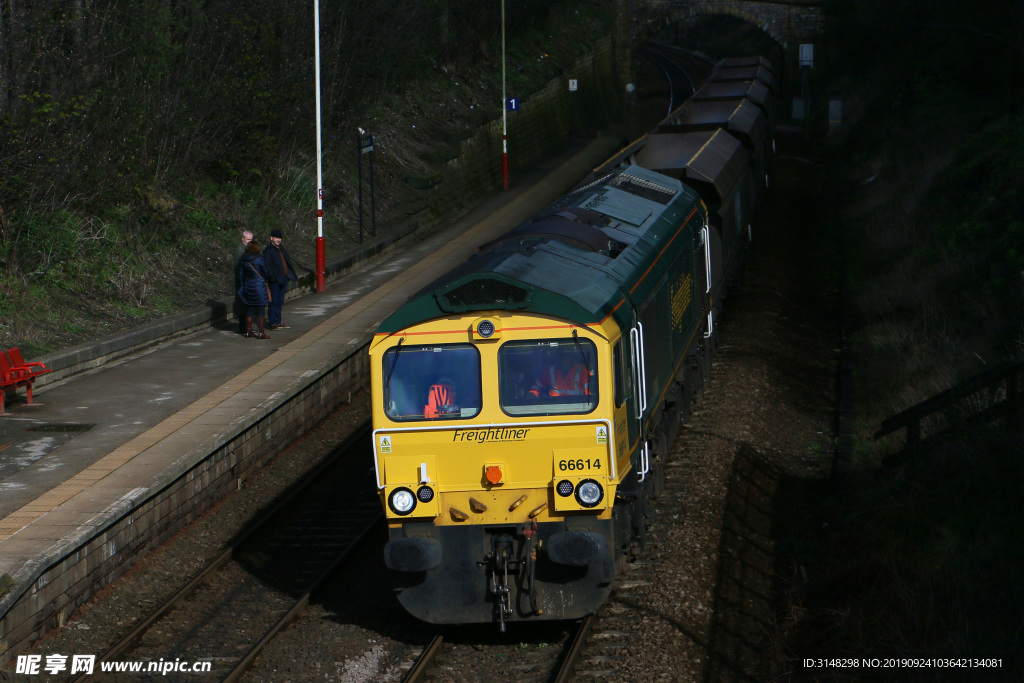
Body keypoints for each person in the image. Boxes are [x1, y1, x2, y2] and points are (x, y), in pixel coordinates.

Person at [263, 229, 298, 330]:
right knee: (273, 302)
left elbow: (287, 262)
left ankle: (278, 320)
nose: (278, 240)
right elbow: (268, 267)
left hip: (283, 279)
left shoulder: (281, 249)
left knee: (280, 301)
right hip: (275, 281)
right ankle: (273, 322)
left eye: (279, 238)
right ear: (271, 238)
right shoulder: (268, 251)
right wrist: (273, 278)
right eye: (276, 238)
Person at [237, 240, 271, 339]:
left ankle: (248, 331)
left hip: (248, 286)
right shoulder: (259, 259)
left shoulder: (243, 259)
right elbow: (265, 272)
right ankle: (261, 332)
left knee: (250, 309)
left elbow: (241, 275)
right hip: (259, 286)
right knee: (261, 310)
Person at [233, 230, 254, 333]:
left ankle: (247, 326)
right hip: (242, 281)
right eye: (248, 239)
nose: (249, 242)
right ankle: (243, 327)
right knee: (242, 305)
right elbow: (238, 267)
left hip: (248, 281)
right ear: (243, 239)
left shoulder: (249, 249)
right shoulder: (239, 250)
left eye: (251, 240)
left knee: (247, 305)